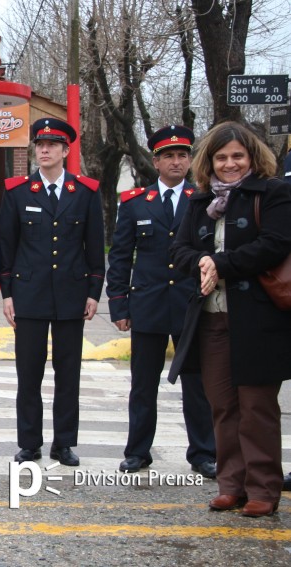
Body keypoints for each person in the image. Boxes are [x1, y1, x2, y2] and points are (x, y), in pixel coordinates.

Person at [170, 121, 291, 517]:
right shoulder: (198, 200)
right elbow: (181, 249)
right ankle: (231, 485)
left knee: (257, 408)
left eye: (238, 156)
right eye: (221, 157)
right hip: (211, 318)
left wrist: (220, 263)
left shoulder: (273, 193)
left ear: (252, 157)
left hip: (258, 320)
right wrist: (202, 260)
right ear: (210, 161)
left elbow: (274, 244)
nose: (230, 164)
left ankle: (263, 489)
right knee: (222, 406)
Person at [107, 125, 217, 477]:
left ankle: (203, 452)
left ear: (190, 160)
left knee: (197, 384)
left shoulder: (204, 200)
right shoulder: (136, 202)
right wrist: (119, 306)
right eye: (168, 155)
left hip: (191, 305)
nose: (176, 161)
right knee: (143, 384)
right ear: (156, 161)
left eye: (183, 155)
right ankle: (138, 451)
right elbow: (121, 256)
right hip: (149, 306)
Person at [0, 117, 105, 466]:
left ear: (65, 150)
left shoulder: (86, 191)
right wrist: (8, 293)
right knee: (28, 374)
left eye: (52, 145)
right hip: (29, 295)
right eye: (39, 145)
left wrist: (93, 291)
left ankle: (64, 443)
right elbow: (7, 246)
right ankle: (29, 443)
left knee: (68, 372)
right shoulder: (17, 191)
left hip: (71, 295)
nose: (44, 150)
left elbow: (95, 246)